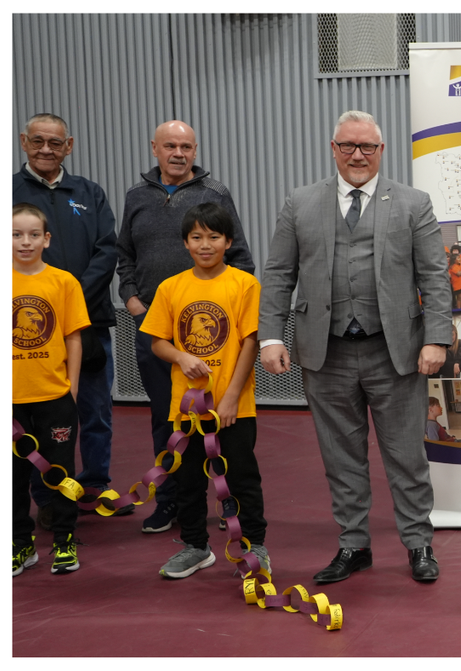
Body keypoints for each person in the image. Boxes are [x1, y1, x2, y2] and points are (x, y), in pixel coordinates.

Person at [258, 110, 452, 583]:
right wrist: (269, 335)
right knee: (340, 455)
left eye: (367, 146)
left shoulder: (412, 203)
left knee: (406, 454)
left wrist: (437, 338)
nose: (358, 155)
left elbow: (434, 276)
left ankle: (418, 544)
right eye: (348, 146)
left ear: (382, 151)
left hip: (396, 351)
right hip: (325, 354)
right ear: (333, 148)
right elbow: (280, 273)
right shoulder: (300, 203)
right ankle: (353, 545)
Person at [117, 120, 255, 535]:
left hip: (215, 335)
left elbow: (242, 256)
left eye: (186, 147)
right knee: (167, 417)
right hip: (157, 329)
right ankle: (171, 501)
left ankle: (228, 503)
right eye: (170, 146)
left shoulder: (215, 195)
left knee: (225, 424)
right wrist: (132, 299)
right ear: (154, 149)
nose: (178, 153)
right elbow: (124, 253)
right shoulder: (137, 197)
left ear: (195, 151)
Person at [140, 203, 270, 579]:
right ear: (185, 242)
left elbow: (250, 342)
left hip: (234, 406)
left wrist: (230, 397)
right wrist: (181, 357)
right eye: (197, 237)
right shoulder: (171, 287)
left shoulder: (244, 284)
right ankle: (196, 547)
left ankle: (254, 544)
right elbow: (157, 342)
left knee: (242, 476)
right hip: (186, 408)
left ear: (228, 241)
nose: (205, 244)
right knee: (188, 479)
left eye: (214, 236)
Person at [13, 113, 125, 526]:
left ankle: (95, 483)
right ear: (24, 141)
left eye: (55, 142)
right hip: (26, 334)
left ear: (69, 146)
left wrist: (68, 298)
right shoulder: (9, 191)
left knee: (94, 409)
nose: (46, 149)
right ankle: (46, 496)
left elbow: (107, 250)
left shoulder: (89, 192)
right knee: (36, 417)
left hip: (89, 323)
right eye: (38, 141)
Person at [12, 203, 90, 576]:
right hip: (12, 403)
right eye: (15, 234)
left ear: (46, 239)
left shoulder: (63, 282)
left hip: (54, 397)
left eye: (32, 235)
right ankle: (20, 544)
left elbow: (73, 338)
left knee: (60, 472)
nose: (24, 242)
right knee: (12, 477)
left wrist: (71, 389)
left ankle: (64, 541)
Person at [448, 245, 461, 309]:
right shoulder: (453, 267)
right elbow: (459, 273)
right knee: (459, 298)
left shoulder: (460, 264)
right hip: (457, 285)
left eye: (459, 258)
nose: (459, 259)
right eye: (458, 258)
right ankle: (459, 309)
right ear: (454, 260)